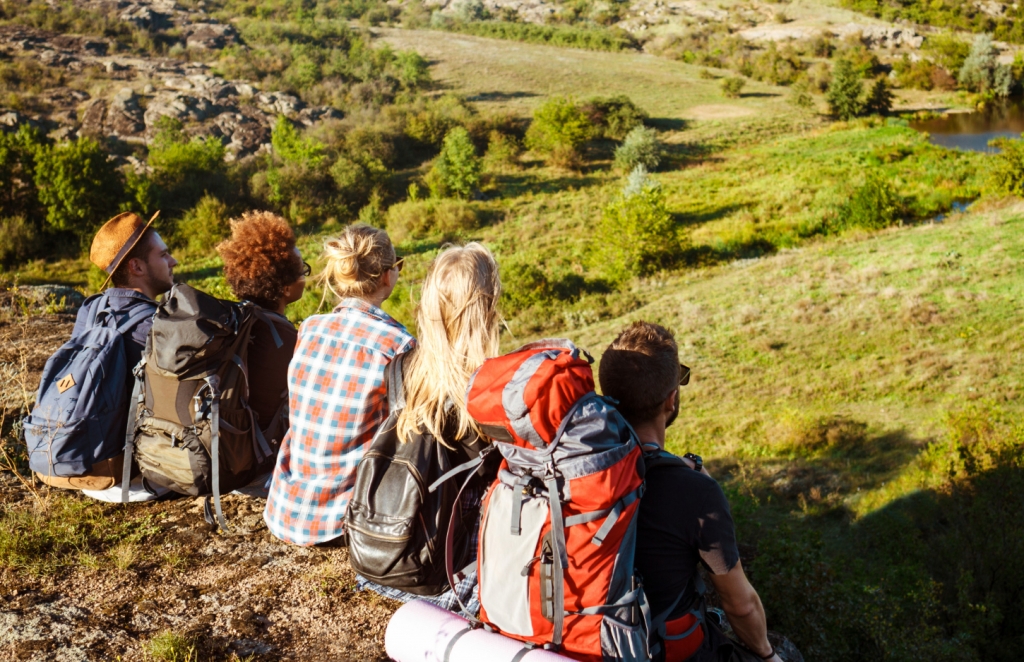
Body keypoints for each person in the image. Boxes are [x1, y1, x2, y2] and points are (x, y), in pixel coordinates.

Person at [598, 321, 784, 662]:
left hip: (584, 640)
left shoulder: (574, 470)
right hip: (657, 649)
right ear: (671, 400)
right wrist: (768, 655)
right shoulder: (693, 491)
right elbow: (739, 604)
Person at [356, 243, 503, 613]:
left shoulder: (401, 367)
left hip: (385, 556)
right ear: (487, 306)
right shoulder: (490, 386)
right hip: (448, 573)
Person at [264, 223, 413, 546]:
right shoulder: (398, 344)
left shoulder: (310, 328)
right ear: (388, 275)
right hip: (343, 519)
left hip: (286, 508)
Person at [35, 211, 177, 492]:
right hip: (135, 479)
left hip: (85, 468)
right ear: (137, 267)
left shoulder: (91, 308)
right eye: (164, 255)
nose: (173, 261)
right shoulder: (157, 324)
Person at [216, 211, 306, 444]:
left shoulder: (234, 321)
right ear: (285, 289)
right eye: (303, 270)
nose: (306, 277)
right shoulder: (284, 338)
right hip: (260, 452)